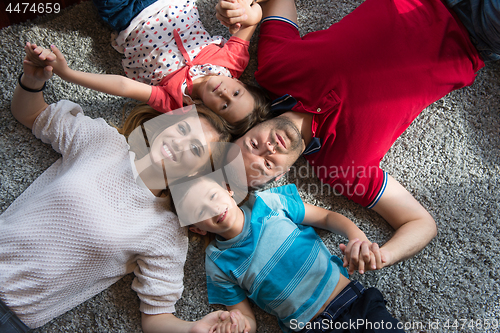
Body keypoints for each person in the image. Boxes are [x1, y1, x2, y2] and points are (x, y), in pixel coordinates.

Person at [213, 0, 499, 273]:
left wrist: (242, 6)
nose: (269, 148)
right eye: (266, 164)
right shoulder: (344, 170)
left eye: (254, 144)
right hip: (470, 35)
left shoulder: (274, 69)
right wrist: (383, 255)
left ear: (250, 128)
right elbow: (420, 223)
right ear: (280, 176)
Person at [0, 45, 246, 333]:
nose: (179, 143)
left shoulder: (167, 230)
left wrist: (192, 329)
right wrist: (32, 80)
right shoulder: (103, 142)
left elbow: (156, 317)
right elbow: (32, 115)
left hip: (13, 315)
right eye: (182, 129)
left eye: (195, 148)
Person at [171, 175, 404, 333]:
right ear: (197, 228)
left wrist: (357, 238)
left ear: (228, 189)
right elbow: (248, 321)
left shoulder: (267, 202)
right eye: (200, 210)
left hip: (353, 300)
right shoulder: (216, 263)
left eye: (212, 195)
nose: (212, 207)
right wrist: (238, 324)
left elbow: (327, 218)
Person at [27, 0, 270, 135]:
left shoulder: (176, 102)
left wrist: (68, 73)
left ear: (210, 114)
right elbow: (256, 14)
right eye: (236, 92)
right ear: (239, 83)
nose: (225, 93)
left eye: (225, 105)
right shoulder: (232, 64)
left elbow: (124, 86)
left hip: (127, 18)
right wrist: (244, 11)